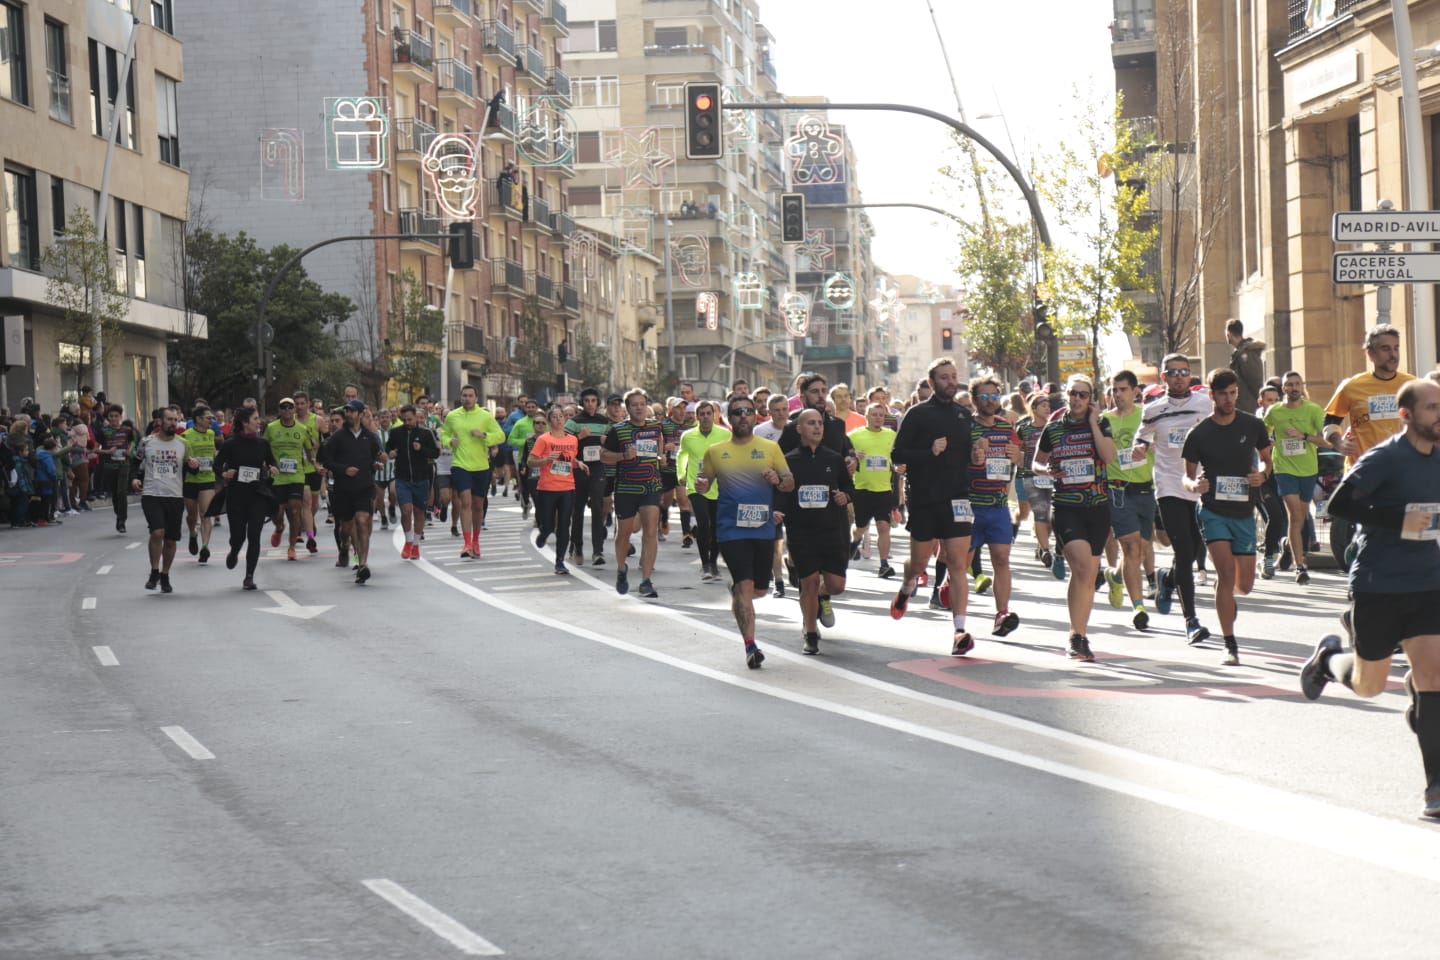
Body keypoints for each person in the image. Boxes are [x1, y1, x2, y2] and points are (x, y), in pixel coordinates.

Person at [1299, 378, 1440, 819]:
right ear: (1407, 415)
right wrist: (1400, 518)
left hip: (1428, 581)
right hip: (1378, 584)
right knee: (1370, 685)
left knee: (1436, 682)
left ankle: (1435, 789)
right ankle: (1328, 660)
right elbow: (1340, 505)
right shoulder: (1385, 458)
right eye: (1433, 408)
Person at [1181, 368, 1272, 666]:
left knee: (1243, 585)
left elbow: (1268, 461)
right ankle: (1229, 643)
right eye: (1223, 394)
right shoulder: (1200, 433)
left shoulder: (1253, 424)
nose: (1229, 399)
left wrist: (1262, 475)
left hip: (1244, 511)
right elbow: (1187, 477)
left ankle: (1227, 600)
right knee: (1225, 574)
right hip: (1212, 511)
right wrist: (1195, 486)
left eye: (1233, 393)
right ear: (1212, 395)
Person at [888, 357, 979, 656]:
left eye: (954, 377)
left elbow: (968, 457)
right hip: (925, 498)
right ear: (932, 382)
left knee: (958, 564)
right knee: (919, 564)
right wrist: (929, 451)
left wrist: (977, 456)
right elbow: (897, 455)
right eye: (944, 377)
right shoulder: (917, 414)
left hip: (958, 498)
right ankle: (906, 587)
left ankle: (959, 630)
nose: (951, 382)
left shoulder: (964, 416)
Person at [697, 396, 795, 668]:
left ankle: (738, 592)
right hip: (730, 529)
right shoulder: (715, 451)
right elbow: (704, 481)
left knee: (760, 590)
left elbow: (789, 483)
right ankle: (751, 646)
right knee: (746, 585)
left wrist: (778, 480)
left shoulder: (770, 448)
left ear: (755, 416)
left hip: (763, 528)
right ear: (728, 418)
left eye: (748, 412)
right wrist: (702, 485)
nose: (743, 416)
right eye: (737, 412)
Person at [1034, 375, 1118, 661]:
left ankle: (1079, 634)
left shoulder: (1102, 423)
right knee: (1082, 568)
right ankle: (1076, 635)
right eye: (1073, 393)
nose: (1077, 399)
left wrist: (1094, 423)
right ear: (1066, 395)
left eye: (1083, 394)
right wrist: (1046, 472)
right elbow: (1037, 461)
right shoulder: (1054, 428)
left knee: (1086, 574)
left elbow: (1108, 457)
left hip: (1097, 507)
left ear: (1090, 398)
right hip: (1067, 506)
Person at [1134, 353, 1215, 644]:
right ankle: (1191, 621)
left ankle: (1167, 579)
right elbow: (1140, 437)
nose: (1179, 376)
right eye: (1173, 372)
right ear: (1164, 377)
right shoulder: (1153, 409)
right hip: (1169, 485)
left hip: (1200, 484)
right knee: (1183, 551)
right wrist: (1139, 449)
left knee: (1195, 551)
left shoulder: (1205, 403)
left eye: (1184, 372)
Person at [782, 408, 855, 654]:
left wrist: (845, 495)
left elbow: (848, 486)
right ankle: (810, 632)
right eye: (811, 423)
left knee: (836, 585)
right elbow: (781, 493)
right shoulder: (789, 460)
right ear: (799, 429)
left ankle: (824, 597)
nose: (817, 427)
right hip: (801, 531)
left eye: (820, 423)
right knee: (809, 581)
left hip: (832, 529)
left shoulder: (834, 458)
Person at [962, 377, 1024, 636]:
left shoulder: (1006, 427)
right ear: (975, 400)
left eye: (994, 396)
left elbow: (1021, 458)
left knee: (1001, 559)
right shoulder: (966, 428)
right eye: (984, 397)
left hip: (998, 506)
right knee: (960, 563)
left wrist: (1016, 456)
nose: (990, 401)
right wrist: (972, 454)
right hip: (970, 506)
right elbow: (954, 464)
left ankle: (1002, 613)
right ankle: (947, 595)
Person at [1103, 370, 1157, 631]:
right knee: (1131, 549)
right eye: (1114, 390)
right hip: (1117, 490)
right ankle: (1138, 607)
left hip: (1145, 489)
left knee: (1142, 549)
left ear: (1135, 391)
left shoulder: (1147, 416)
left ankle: (1114, 575)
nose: (1118, 395)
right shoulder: (1104, 420)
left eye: (1123, 389)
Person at [1263, 371, 1326, 584]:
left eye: (1297, 384)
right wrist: (1268, 445)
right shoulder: (1274, 411)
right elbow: (1263, 434)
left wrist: (1304, 437)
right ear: (1283, 389)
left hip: (1308, 470)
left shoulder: (1313, 410)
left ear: (1302, 386)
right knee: (1295, 515)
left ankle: (1287, 546)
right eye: (1289, 384)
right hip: (1284, 469)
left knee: (1299, 518)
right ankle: (1300, 566)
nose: (1293, 388)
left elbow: (1327, 441)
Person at [601, 389, 664, 598]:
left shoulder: (655, 427)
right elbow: (603, 456)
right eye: (634, 404)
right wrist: (622, 455)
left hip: (651, 487)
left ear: (647, 406)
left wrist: (661, 457)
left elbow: (660, 449)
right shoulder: (618, 430)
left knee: (651, 532)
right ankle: (621, 569)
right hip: (626, 489)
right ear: (627, 409)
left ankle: (646, 580)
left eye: (642, 404)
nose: (639, 408)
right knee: (623, 535)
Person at [321, 399, 385, 583]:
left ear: (359, 413)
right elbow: (327, 461)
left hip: (364, 486)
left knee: (363, 521)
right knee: (346, 528)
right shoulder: (338, 437)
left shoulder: (370, 436)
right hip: (343, 489)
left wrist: (378, 463)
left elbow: (377, 456)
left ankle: (362, 563)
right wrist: (343, 469)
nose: (348, 414)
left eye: (351, 411)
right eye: (346, 411)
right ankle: (344, 545)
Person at [215, 407, 279, 590]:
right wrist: (225, 473)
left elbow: (271, 461)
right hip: (237, 496)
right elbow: (217, 465)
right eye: (255, 419)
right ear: (245, 422)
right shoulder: (230, 444)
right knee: (238, 536)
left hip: (258, 494)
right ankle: (234, 550)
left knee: (254, 535)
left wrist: (273, 467)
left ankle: (249, 576)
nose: (259, 422)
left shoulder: (262, 444)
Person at [441, 385, 506, 560]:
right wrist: (449, 441)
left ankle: (476, 541)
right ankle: (467, 543)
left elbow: (500, 436)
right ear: (460, 397)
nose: (467, 398)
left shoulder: (485, 416)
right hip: (460, 465)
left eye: (470, 395)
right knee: (465, 502)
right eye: (464, 396)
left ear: (476, 398)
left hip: (481, 467)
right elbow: (444, 434)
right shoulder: (453, 416)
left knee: (478, 506)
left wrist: (484, 435)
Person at [133, 407, 188, 594]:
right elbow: (135, 462)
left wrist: (194, 466)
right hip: (152, 494)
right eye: (169, 419)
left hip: (174, 496)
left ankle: (165, 574)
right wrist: (134, 478)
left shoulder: (183, 444)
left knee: (171, 540)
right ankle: (154, 571)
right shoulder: (147, 442)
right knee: (157, 533)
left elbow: (189, 468)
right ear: (160, 421)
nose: (173, 423)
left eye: (176, 419)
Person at [678, 400, 731, 582]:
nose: (706, 417)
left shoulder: (725, 434)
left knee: (717, 527)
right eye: (702, 414)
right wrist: (681, 474)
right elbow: (682, 454)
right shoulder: (688, 436)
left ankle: (714, 562)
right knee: (704, 524)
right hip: (696, 485)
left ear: (714, 415)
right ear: (697, 416)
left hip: (718, 486)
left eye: (709, 413)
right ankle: (705, 564)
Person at [530, 404, 584, 574]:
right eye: (555, 417)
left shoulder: (572, 439)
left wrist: (578, 463)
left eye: (561, 416)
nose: (559, 419)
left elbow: (570, 459)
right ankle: (544, 533)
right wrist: (545, 459)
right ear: (548, 420)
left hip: (567, 488)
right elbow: (531, 461)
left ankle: (559, 562)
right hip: (547, 488)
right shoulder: (543, 440)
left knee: (564, 525)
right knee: (547, 524)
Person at [848, 401, 898, 579]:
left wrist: (897, 466)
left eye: (881, 415)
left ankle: (884, 565)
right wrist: (854, 456)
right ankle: (855, 541)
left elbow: (896, 456)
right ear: (867, 417)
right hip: (862, 488)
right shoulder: (854, 435)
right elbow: (844, 455)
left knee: (884, 526)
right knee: (861, 526)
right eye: (874, 415)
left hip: (883, 489)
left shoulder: (891, 435)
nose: (878, 418)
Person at [387, 403, 439, 560]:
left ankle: (416, 544)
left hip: (421, 478)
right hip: (402, 478)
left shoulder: (426, 433)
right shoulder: (396, 432)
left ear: (416, 417)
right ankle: (408, 541)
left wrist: (421, 449)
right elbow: (388, 448)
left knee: (418, 512)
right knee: (406, 510)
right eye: (404, 420)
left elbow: (435, 453)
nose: (407, 422)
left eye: (409, 419)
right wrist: (391, 452)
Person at [567, 388, 612, 566]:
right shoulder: (573, 422)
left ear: (598, 403)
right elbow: (564, 445)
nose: (590, 404)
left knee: (597, 507)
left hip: (598, 467)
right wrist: (579, 437)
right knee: (578, 509)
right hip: (579, 467)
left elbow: (612, 443)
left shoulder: (604, 422)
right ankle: (577, 547)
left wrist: (606, 441)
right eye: (587, 401)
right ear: (582, 403)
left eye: (594, 401)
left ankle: (597, 551)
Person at [264, 398, 312, 562]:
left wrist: (316, 464)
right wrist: (266, 465)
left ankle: (291, 547)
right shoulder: (271, 428)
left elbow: (309, 450)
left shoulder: (302, 429)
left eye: (290, 407)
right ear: (279, 410)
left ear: (294, 410)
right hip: (277, 477)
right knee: (278, 512)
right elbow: (263, 448)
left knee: (294, 509)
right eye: (283, 407)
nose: (286, 410)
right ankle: (279, 528)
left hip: (296, 476)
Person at [1017, 392, 1055, 569]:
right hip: (1031, 476)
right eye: (1043, 405)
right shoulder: (1024, 429)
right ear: (1034, 409)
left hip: (1052, 475)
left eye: (1048, 405)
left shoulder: (1054, 427)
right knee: (1040, 512)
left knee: (1050, 518)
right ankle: (1046, 550)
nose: (1047, 408)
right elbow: (1017, 451)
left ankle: (1042, 544)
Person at [181, 406, 220, 564]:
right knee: (192, 516)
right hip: (191, 480)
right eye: (208, 418)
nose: (211, 421)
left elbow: (213, 454)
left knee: (205, 513)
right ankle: (192, 533)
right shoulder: (186, 436)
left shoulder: (211, 434)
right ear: (198, 419)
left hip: (207, 479)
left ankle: (205, 547)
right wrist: (190, 463)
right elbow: (181, 458)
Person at [96, 404, 137, 532]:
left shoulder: (127, 430)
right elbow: (95, 449)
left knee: (122, 491)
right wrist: (108, 451)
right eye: (111, 416)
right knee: (114, 493)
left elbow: (132, 442)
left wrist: (129, 450)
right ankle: (118, 513)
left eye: (116, 416)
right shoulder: (103, 431)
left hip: (124, 464)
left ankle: (122, 520)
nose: (113, 419)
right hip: (109, 465)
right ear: (108, 417)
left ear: (120, 417)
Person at [1226, 319, 1267, 414]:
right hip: (1242, 406)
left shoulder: (1246, 354)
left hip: (1248, 408)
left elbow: (1255, 381)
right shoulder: (1240, 354)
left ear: (1229, 334)